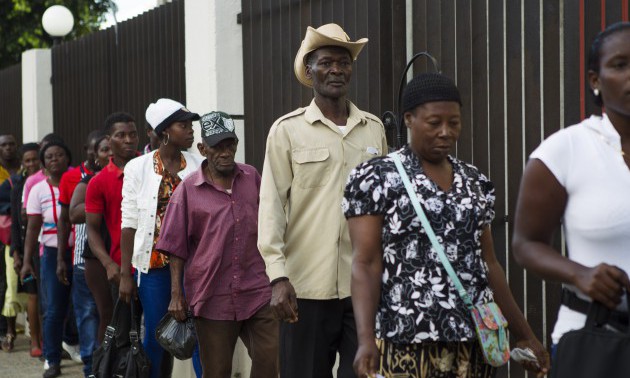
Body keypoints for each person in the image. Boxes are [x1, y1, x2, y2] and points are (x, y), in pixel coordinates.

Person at [344, 73, 550, 378]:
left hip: (474, 342)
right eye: (434, 123)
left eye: (453, 123)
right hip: (408, 341)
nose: (445, 132)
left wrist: (524, 334)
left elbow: (489, 264)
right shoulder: (376, 178)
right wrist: (365, 341)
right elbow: (366, 263)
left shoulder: (474, 181)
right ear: (409, 119)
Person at [258, 23, 388, 377]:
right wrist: (277, 277)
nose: (336, 70)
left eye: (343, 62)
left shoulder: (373, 129)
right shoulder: (287, 130)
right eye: (327, 62)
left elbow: (386, 208)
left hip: (362, 287)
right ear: (309, 70)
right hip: (304, 289)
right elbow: (271, 208)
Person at [512, 22, 630, 357]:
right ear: (595, 80)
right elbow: (525, 245)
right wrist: (580, 274)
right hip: (594, 342)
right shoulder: (566, 150)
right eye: (620, 65)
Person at [157, 111, 278, 377]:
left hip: (257, 289)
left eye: (230, 144)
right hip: (212, 296)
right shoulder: (187, 191)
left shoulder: (252, 177)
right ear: (202, 149)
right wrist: (177, 295)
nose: (225, 152)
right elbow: (175, 247)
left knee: (270, 361)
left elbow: (271, 225)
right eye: (217, 146)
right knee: (217, 371)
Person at [119, 98, 203, 378]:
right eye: (183, 125)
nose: (191, 130)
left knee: (201, 335)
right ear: (164, 131)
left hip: (196, 266)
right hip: (153, 267)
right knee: (157, 337)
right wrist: (125, 275)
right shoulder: (137, 168)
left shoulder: (198, 165)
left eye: (191, 124)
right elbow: (128, 223)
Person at [56, 130, 108, 376]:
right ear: (94, 155)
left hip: (119, 259)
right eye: (103, 149)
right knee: (88, 314)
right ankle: (90, 367)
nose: (109, 153)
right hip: (84, 259)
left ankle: (109, 364)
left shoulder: (130, 177)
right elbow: (70, 216)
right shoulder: (83, 181)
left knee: (111, 317)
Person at [20, 141, 73, 378]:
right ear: (43, 163)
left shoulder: (78, 184)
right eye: (49, 157)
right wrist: (27, 260)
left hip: (78, 252)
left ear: (67, 159)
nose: (54, 160)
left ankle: (79, 348)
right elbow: (33, 228)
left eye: (59, 155)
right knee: (53, 308)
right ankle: (51, 357)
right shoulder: (37, 190)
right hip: (51, 254)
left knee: (80, 305)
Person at [85, 112, 138, 342]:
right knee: (122, 337)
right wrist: (109, 265)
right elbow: (92, 229)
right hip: (122, 270)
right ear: (109, 139)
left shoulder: (153, 169)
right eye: (121, 135)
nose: (128, 140)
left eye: (133, 134)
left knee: (159, 337)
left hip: (156, 268)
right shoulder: (98, 182)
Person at [0, 142, 40, 353]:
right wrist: (16, 253)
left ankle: (40, 337)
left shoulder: (47, 182)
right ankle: (11, 333)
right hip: (17, 247)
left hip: (42, 249)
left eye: (35, 159)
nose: (32, 163)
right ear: (23, 163)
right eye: (28, 160)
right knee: (12, 290)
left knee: (41, 295)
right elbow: (15, 223)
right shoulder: (16, 185)